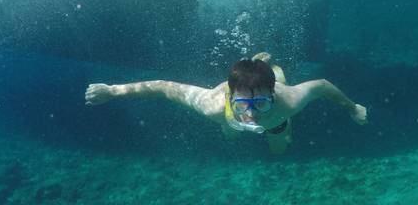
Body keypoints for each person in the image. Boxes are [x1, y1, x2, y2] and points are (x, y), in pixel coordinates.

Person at [85, 52, 367, 154]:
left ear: (272, 97)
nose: (253, 113)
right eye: (244, 103)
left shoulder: (288, 101)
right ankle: (261, 66)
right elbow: (162, 87)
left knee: (279, 149)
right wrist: (114, 90)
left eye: (261, 103)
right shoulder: (213, 105)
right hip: (229, 113)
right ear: (230, 97)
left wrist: (352, 107)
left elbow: (321, 85)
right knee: (230, 134)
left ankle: (270, 68)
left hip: (278, 114)